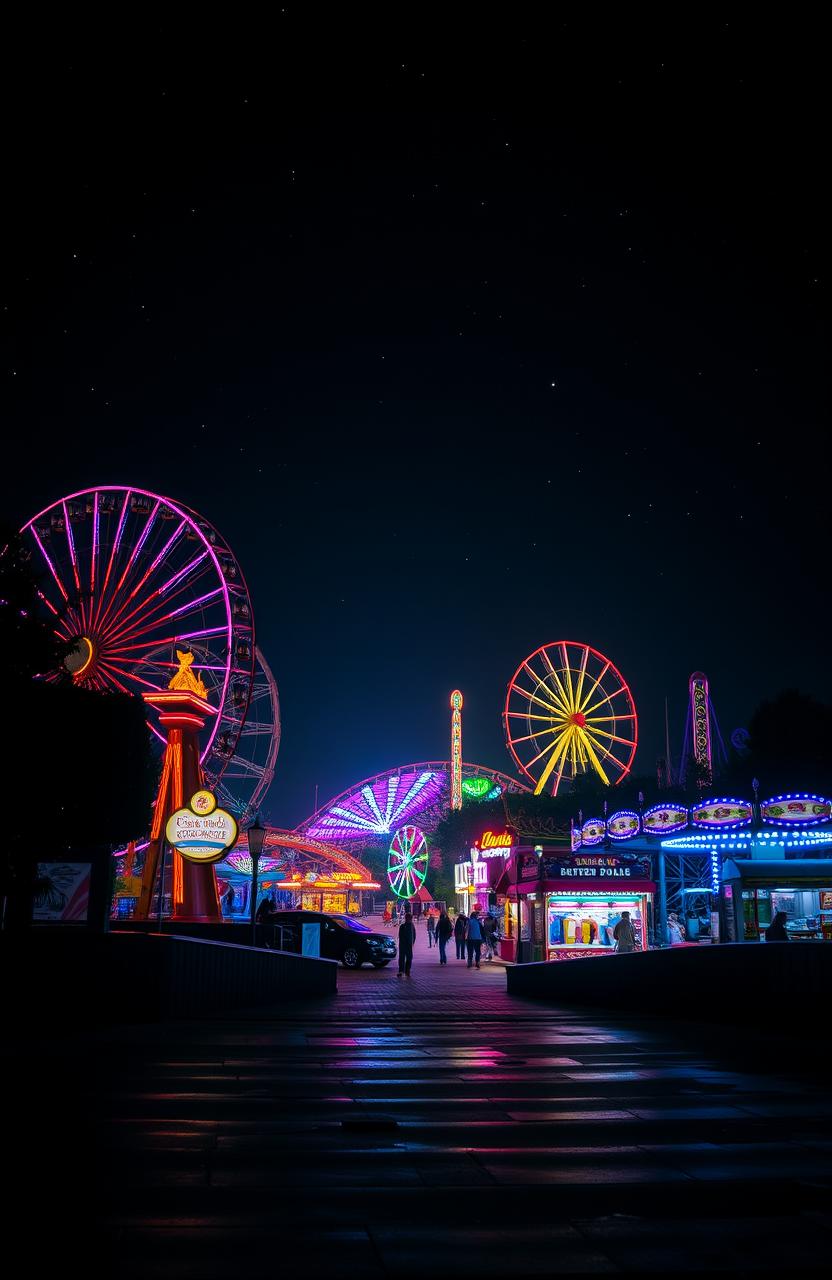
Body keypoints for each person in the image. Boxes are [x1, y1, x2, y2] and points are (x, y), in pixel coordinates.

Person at [397, 910, 416, 977]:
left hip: (405, 945)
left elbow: (413, 936)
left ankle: (404, 971)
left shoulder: (407, 926)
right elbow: (414, 936)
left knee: (406, 958)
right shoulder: (407, 926)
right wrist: (412, 943)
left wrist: (411, 943)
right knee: (406, 958)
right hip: (406, 945)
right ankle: (404, 971)